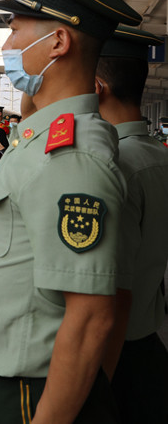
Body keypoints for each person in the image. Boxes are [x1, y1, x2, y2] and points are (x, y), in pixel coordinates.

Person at [0, 0, 139, 422]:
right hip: (22, 385)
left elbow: (92, 317)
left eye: (16, 30)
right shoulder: (42, 138)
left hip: (31, 396)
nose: (6, 46)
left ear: (58, 42)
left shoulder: (68, 157)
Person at [95, 25, 168, 422]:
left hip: (115, 358)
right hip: (148, 343)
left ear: (97, 86)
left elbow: (112, 294)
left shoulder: (114, 167)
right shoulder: (157, 155)